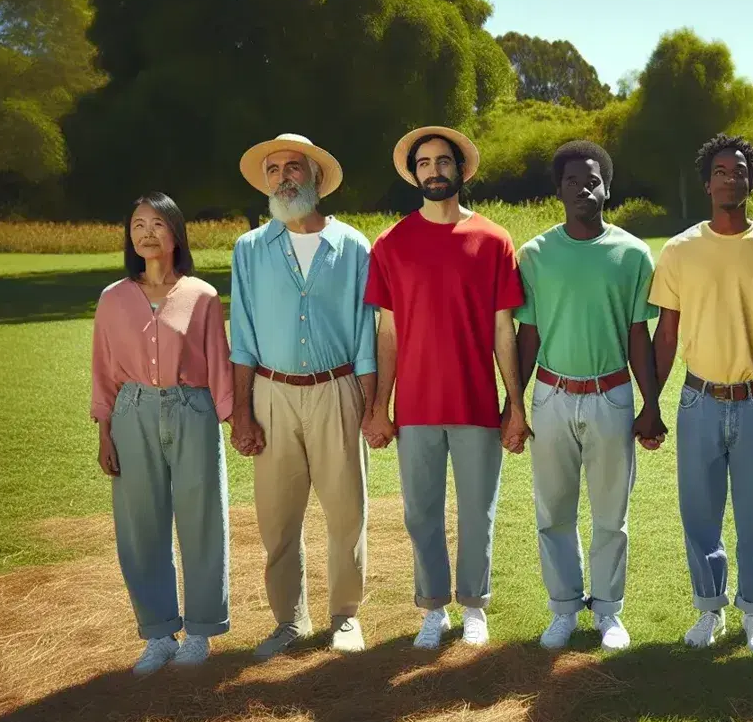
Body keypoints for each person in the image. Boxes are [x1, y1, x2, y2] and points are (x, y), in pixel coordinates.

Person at [362, 126, 527, 650]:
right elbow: (386, 332)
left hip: (477, 403)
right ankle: (433, 608)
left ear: (460, 170)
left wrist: (515, 405)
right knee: (421, 511)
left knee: (478, 509)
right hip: (414, 407)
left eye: (443, 161)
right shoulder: (391, 244)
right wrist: (378, 407)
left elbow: (506, 329)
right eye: (425, 163)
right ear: (415, 174)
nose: (434, 170)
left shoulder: (494, 240)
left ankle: (474, 605)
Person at [650, 133, 753, 652]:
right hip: (698, 400)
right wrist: (650, 404)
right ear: (706, 182)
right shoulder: (679, 250)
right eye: (720, 170)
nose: (730, 177)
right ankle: (709, 610)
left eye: (739, 170)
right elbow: (666, 334)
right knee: (699, 511)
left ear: (750, 180)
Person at [513, 140, 666, 652]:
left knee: (610, 515)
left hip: (613, 395)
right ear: (558, 190)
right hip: (551, 394)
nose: (585, 187)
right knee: (553, 509)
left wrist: (651, 404)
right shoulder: (534, 255)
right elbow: (527, 335)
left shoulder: (632, 254)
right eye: (574, 180)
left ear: (608, 186)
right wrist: (514, 406)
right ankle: (562, 609)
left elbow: (637, 335)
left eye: (594, 179)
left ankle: (607, 611)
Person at [231, 133, 376, 659]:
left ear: (315, 177)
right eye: (274, 169)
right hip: (271, 394)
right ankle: (288, 621)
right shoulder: (249, 249)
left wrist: (371, 405)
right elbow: (242, 336)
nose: (284, 177)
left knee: (346, 512)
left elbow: (366, 333)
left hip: (337, 391)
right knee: (276, 516)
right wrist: (240, 413)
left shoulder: (355, 246)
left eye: (295, 167)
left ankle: (344, 618)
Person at [92, 192, 233, 676]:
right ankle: (158, 635)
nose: (147, 233)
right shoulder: (112, 299)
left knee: (202, 520)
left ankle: (200, 632)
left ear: (175, 232)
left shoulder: (202, 295)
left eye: (156, 223)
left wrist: (238, 422)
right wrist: (105, 429)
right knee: (140, 528)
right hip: (132, 412)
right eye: (137, 225)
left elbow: (219, 362)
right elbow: (104, 370)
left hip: (193, 408)